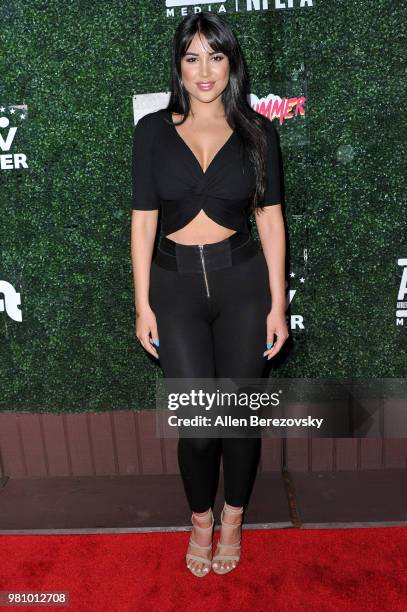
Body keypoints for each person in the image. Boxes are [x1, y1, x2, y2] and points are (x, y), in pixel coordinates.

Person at [131, 12, 288, 577]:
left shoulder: (257, 131)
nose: (204, 70)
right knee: (199, 428)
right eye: (192, 57)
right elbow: (143, 222)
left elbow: (270, 221)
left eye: (215, 57)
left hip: (243, 284)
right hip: (173, 288)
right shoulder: (151, 130)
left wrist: (278, 304)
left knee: (240, 420)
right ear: (178, 64)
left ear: (230, 63)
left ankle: (234, 519)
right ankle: (201, 518)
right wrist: (143, 302)